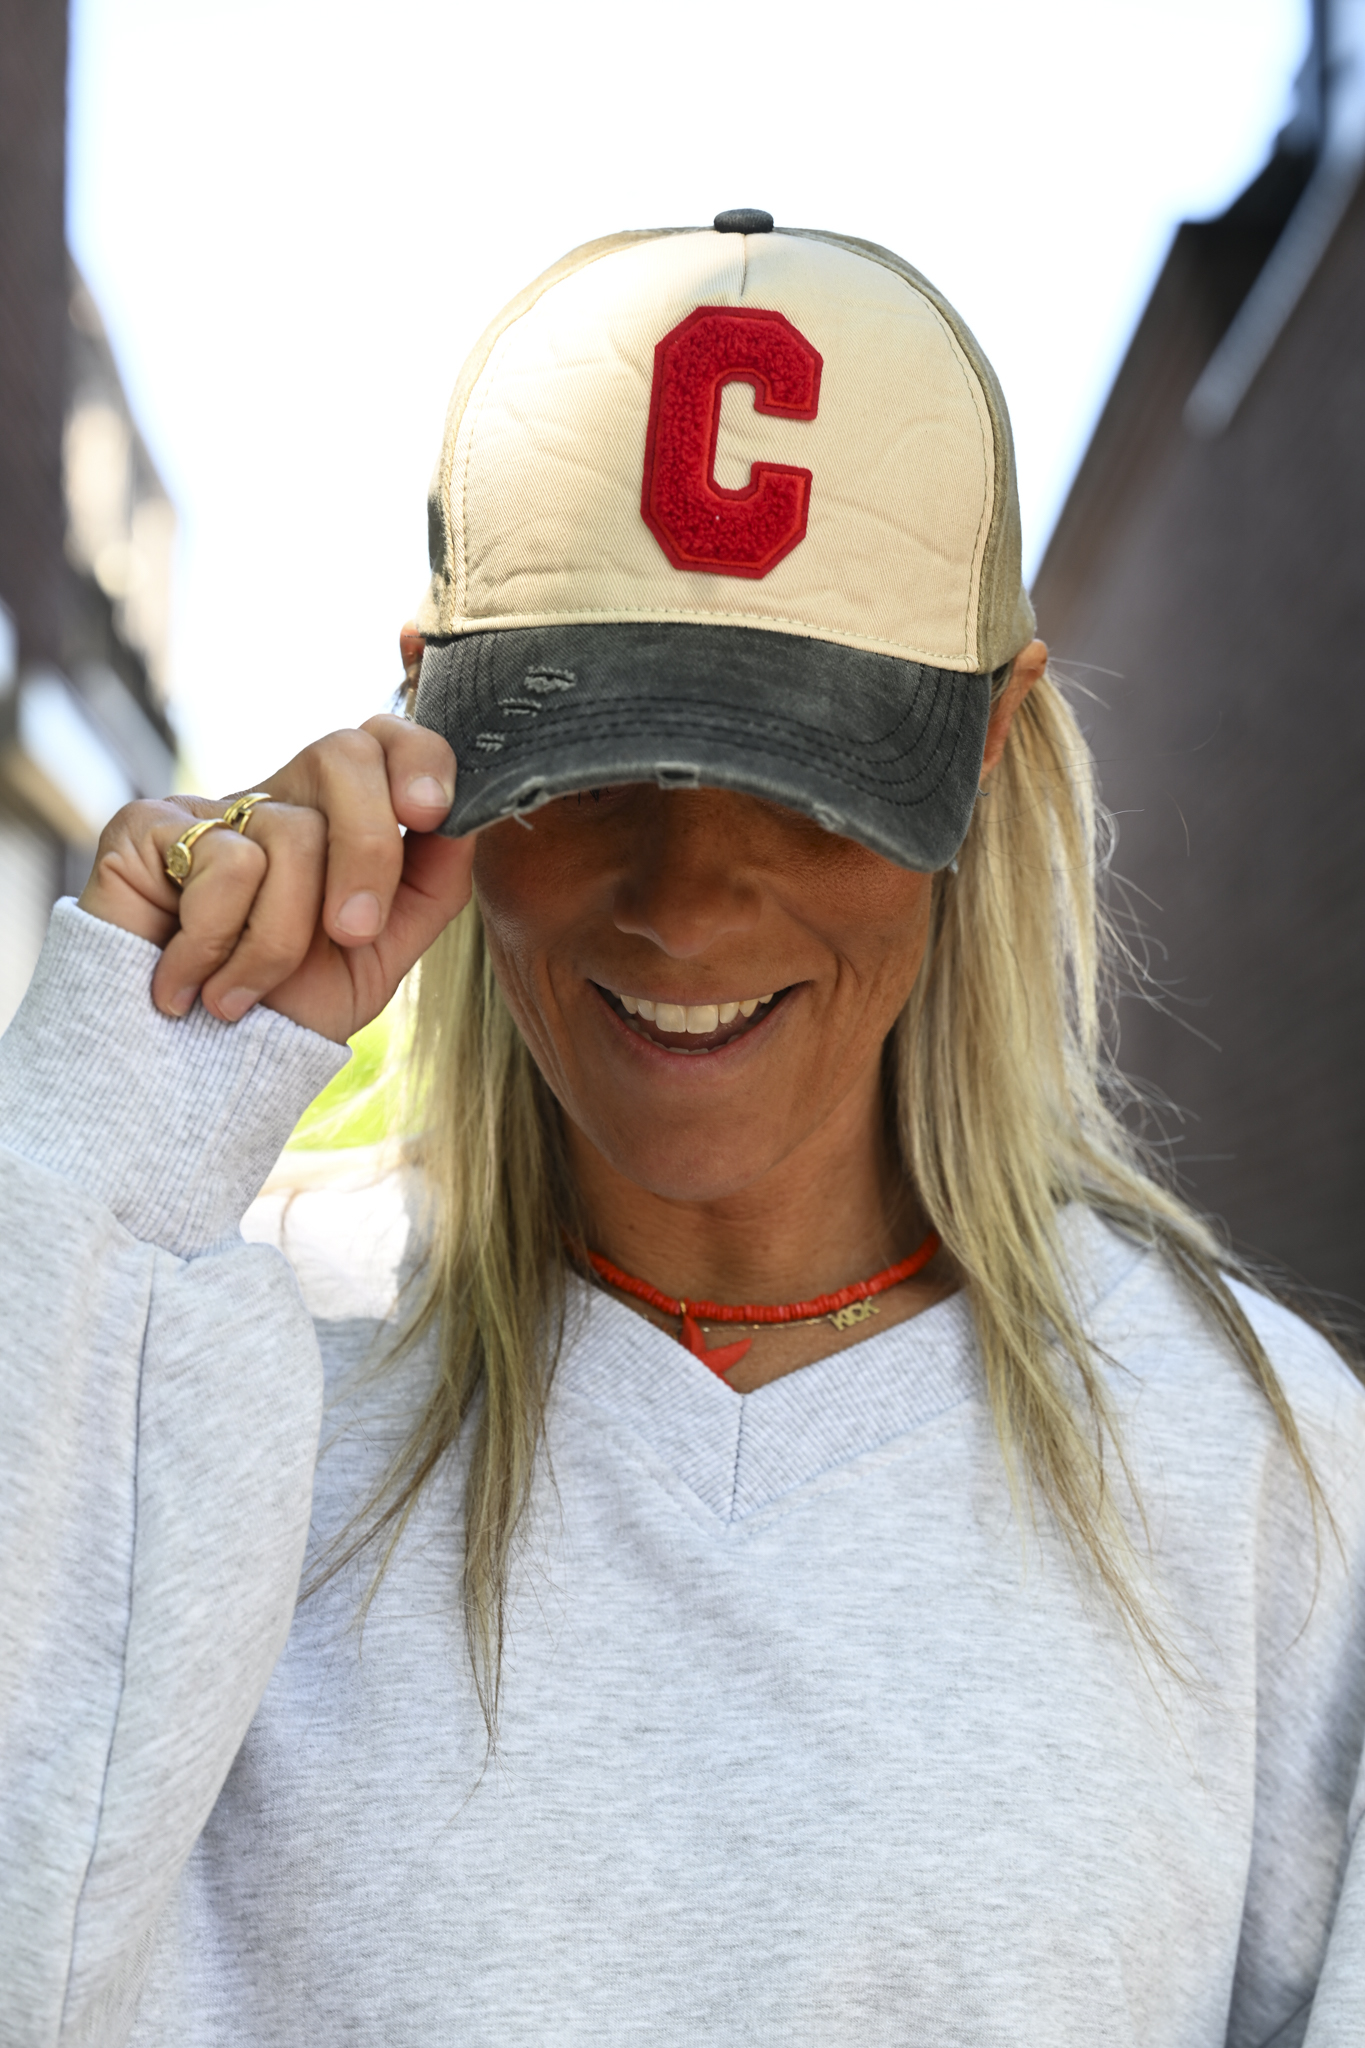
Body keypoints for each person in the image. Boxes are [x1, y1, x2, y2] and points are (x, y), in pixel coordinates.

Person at [3, 208, 1364, 2048]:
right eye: (592, 767)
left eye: (805, 781)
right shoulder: (206, 1342)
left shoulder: (1263, 1473)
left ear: (986, 743)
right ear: (434, 731)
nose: (684, 900)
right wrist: (127, 1127)